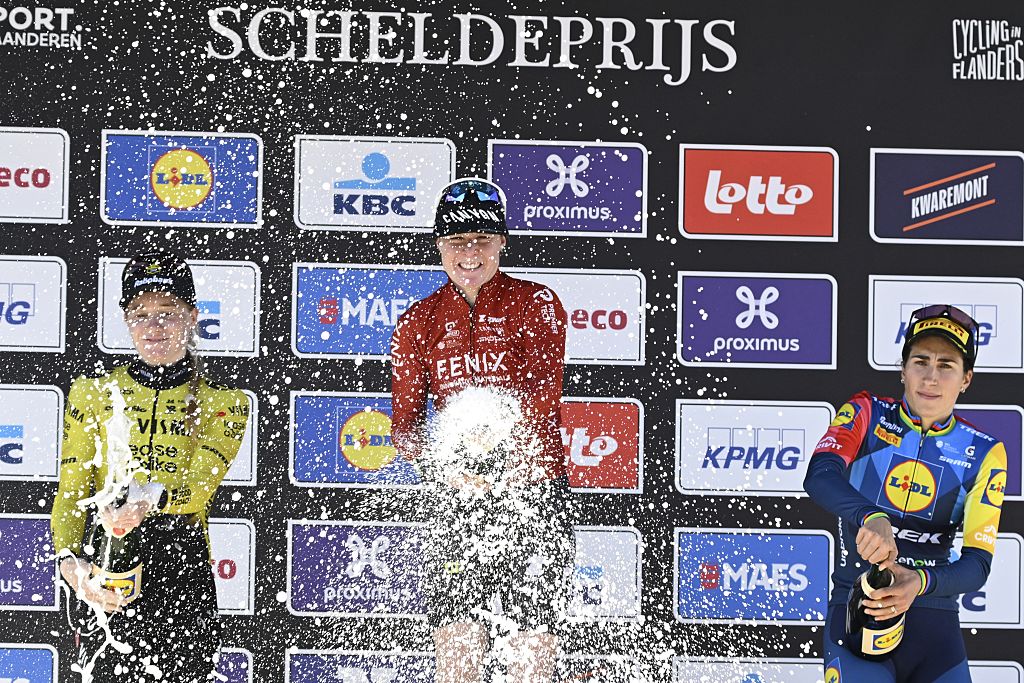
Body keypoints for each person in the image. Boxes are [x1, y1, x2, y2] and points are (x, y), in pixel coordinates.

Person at [390, 178, 573, 683]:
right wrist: (448, 468)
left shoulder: (536, 303)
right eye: (455, 242)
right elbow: (405, 428)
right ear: (438, 246)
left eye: (481, 240)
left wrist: (508, 466)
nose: (469, 254)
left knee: (530, 650)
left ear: (503, 242)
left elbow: (541, 400)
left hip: (533, 494)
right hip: (456, 503)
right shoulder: (418, 321)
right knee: (457, 647)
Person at [52, 252, 249, 682]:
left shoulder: (225, 404)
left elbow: (197, 489)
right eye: (140, 314)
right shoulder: (93, 393)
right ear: (126, 321)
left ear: (192, 317)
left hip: (181, 565)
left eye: (167, 313)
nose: (154, 327)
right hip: (106, 562)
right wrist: (69, 564)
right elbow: (70, 490)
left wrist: (145, 499)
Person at [804, 305, 1007, 682]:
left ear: (966, 379)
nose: (931, 377)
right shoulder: (866, 412)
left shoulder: (983, 452)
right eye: (920, 361)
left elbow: (978, 563)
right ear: (903, 369)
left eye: (947, 365)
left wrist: (920, 583)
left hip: (935, 627)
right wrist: (872, 517)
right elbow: (820, 475)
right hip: (859, 611)